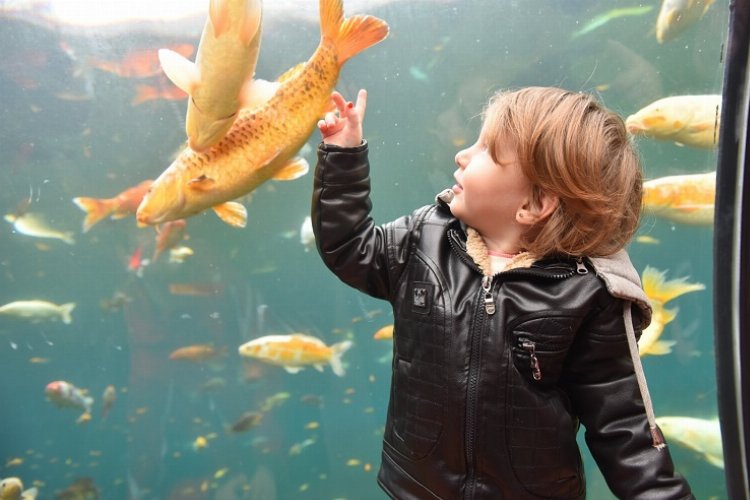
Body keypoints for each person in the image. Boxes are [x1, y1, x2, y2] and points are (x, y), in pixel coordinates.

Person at [311, 86, 694, 499]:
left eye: (486, 150)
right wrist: (343, 156)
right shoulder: (425, 238)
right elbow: (350, 247)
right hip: (418, 487)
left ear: (534, 203)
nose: (461, 154)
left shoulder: (588, 294)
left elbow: (623, 429)